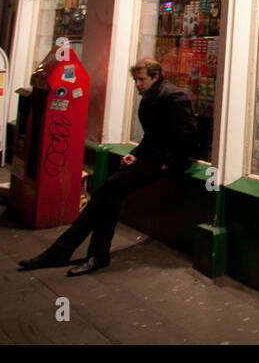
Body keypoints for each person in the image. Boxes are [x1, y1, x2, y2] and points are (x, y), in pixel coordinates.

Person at [18, 58, 196, 276]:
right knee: (109, 196)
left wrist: (167, 161)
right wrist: (135, 154)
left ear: (156, 76)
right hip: (152, 158)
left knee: (108, 191)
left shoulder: (172, 96)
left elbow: (187, 134)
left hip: (166, 162)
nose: (138, 84)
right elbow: (153, 135)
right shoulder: (154, 95)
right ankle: (89, 254)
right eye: (136, 80)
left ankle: (65, 252)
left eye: (142, 79)